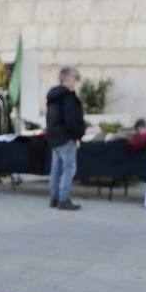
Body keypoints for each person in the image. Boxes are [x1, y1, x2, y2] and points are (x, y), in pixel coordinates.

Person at [45, 67, 86, 210]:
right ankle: (63, 199)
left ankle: (54, 198)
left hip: (54, 137)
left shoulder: (53, 97)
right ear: (67, 78)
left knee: (55, 169)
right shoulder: (67, 97)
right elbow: (71, 120)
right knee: (69, 169)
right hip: (66, 137)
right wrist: (77, 136)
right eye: (74, 78)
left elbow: (50, 119)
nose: (75, 81)